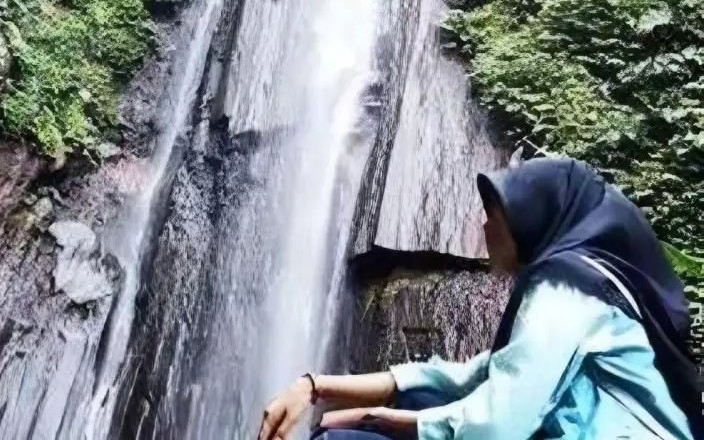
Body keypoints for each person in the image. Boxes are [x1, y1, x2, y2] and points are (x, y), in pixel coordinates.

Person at [257, 157, 703, 440]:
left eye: (494, 214)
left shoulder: (568, 291)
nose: (482, 226)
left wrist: (369, 419)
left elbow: (498, 426)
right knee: (415, 401)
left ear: (530, 220)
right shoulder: (583, 287)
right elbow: (469, 377)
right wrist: (314, 387)